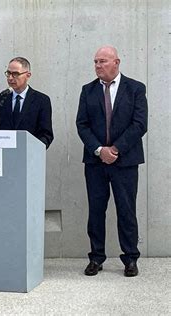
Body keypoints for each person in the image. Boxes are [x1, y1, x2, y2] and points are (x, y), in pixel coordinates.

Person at [76, 46, 148, 277]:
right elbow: (82, 124)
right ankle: (96, 257)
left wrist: (115, 149)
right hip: (95, 162)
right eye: (95, 61)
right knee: (96, 211)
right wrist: (99, 150)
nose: (98, 66)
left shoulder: (135, 88)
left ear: (116, 62)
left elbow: (139, 124)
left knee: (126, 210)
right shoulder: (87, 91)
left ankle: (130, 258)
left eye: (103, 61)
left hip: (125, 161)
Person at [0, 57, 53, 149]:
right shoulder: (0, 99)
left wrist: (35, 149)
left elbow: (46, 134)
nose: (10, 78)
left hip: (30, 155)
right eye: (8, 73)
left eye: (15, 74)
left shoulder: (41, 100)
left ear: (28, 75)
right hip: (3, 155)